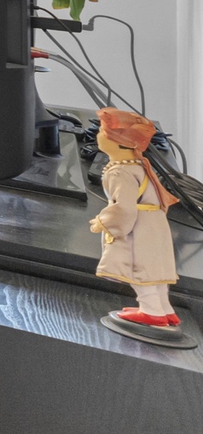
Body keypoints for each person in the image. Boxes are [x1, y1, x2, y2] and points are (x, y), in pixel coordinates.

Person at [88, 107, 192, 346]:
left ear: (117, 142)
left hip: (138, 227)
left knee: (138, 268)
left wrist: (102, 222)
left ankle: (151, 311)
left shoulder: (120, 171)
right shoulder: (139, 165)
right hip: (155, 225)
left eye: (103, 132)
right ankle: (164, 308)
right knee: (155, 270)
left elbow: (123, 208)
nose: (98, 135)